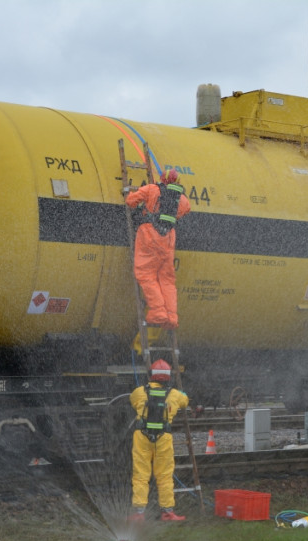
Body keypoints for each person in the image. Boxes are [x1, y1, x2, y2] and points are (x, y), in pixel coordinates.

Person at [124, 169, 192, 329]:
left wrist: (134, 199)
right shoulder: (181, 199)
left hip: (149, 233)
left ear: (162, 179)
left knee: (146, 273)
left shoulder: (152, 189)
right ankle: (172, 317)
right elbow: (185, 209)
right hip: (168, 236)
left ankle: (158, 312)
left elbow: (131, 201)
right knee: (167, 280)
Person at [129, 359, 190, 522]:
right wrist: (182, 395)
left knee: (141, 475)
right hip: (163, 438)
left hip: (142, 437)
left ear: (150, 376)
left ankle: (139, 513)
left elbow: (133, 401)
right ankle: (167, 512)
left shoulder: (139, 392)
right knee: (164, 475)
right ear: (168, 377)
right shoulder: (175, 395)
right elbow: (185, 402)